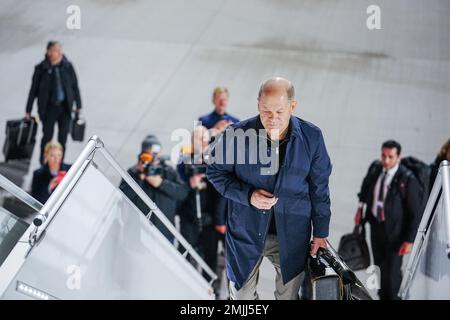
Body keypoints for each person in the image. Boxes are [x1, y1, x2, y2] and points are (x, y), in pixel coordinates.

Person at [207, 77, 332, 300]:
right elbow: (215, 172)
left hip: (291, 235)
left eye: (280, 112)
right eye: (266, 111)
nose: (272, 119)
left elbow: (319, 189)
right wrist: (248, 196)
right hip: (246, 231)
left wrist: (321, 233)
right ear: (257, 105)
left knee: (288, 297)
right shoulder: (236, 135)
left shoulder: (312, 138)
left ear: (293, 106)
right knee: (241, 299)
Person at [355, 140, 423, 300]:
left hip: (396, 234)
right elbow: (365, 191)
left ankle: (395, 297)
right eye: (383, 156)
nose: (386, 160)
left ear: (398, 157)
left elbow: (415, 212)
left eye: (390, 157)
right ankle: (382, 296)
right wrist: (360, 209)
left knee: (392, 274)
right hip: (376, 228)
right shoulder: (377, 170)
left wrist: (409, 240)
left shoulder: (407, 179)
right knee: (378, 268)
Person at [119, 135, 189, 242]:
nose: (154, 160)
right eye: (150, 155)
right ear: (142, 155)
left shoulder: (168, 171)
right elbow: (123, 195)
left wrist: (161, 183)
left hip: (164, 233)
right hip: (138, 234)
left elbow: (182, 193)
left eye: (157, 155)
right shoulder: (133, 172)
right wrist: (139, 177)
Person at [177, 126, 223, 282]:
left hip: (209, 219)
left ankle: (210, 290)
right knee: (185, 255)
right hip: (189, 219)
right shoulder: (184, 161)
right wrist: (189, 183)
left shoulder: (215, 161)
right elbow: (177, 187)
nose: (203, 141)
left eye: (205, 138)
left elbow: (222, 191)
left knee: (210, 258)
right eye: (199, 138)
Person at [25, 41, 82, 164]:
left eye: (59, 50)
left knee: (63, 138)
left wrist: (78, 105)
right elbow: (33, 90)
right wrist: (28, 110)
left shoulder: (67, 66)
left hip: (65, 108)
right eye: (56, 50)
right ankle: (43, 161)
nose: (59, 53)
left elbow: (75, 86)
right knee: (47, 137)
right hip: (48, 108)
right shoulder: (41, 68)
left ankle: (59, 162)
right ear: (49, 51)